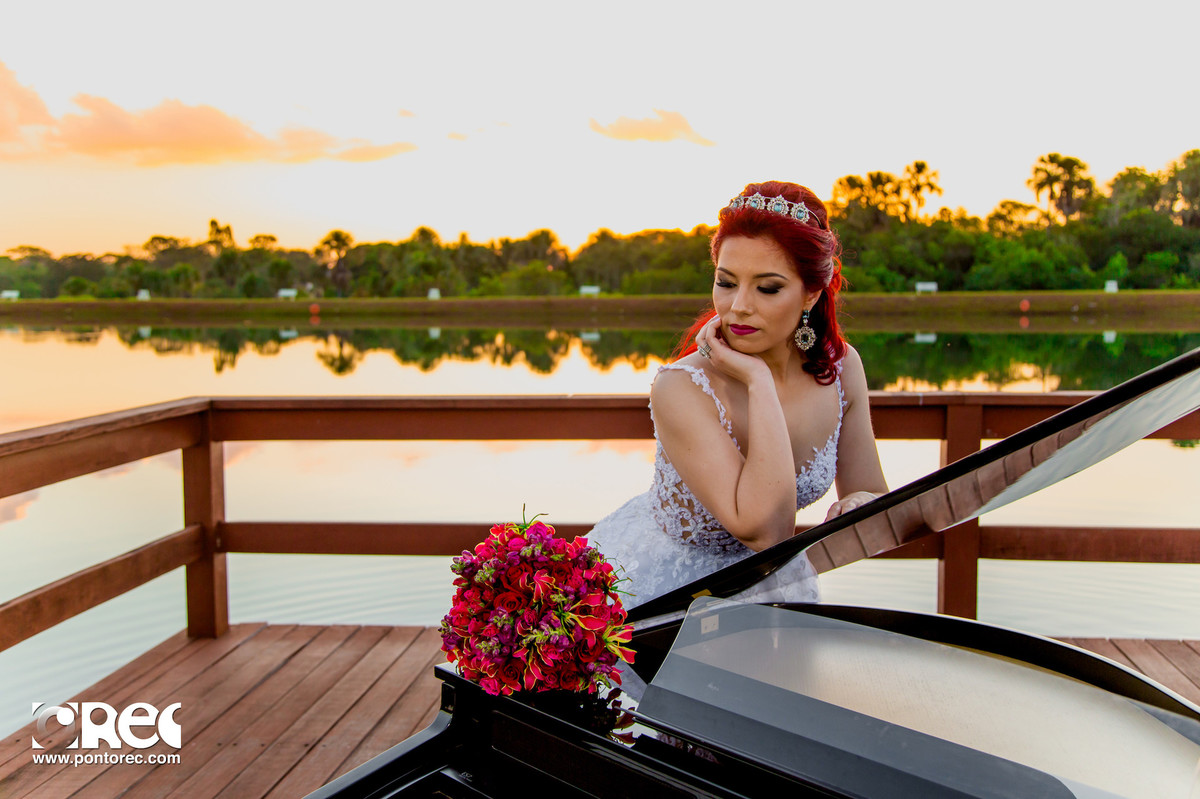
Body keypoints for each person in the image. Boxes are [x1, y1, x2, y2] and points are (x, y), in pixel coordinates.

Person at [587, 180, 888, 611]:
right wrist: (758, 379)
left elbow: (873, 495)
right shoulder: (682, 386)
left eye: (767, 288)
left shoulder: (842, 369)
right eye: (726, 283)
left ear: (811, 293)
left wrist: (860, 502)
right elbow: (767, 532)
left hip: (775, 589)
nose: (739, 306)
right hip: (657, 596)